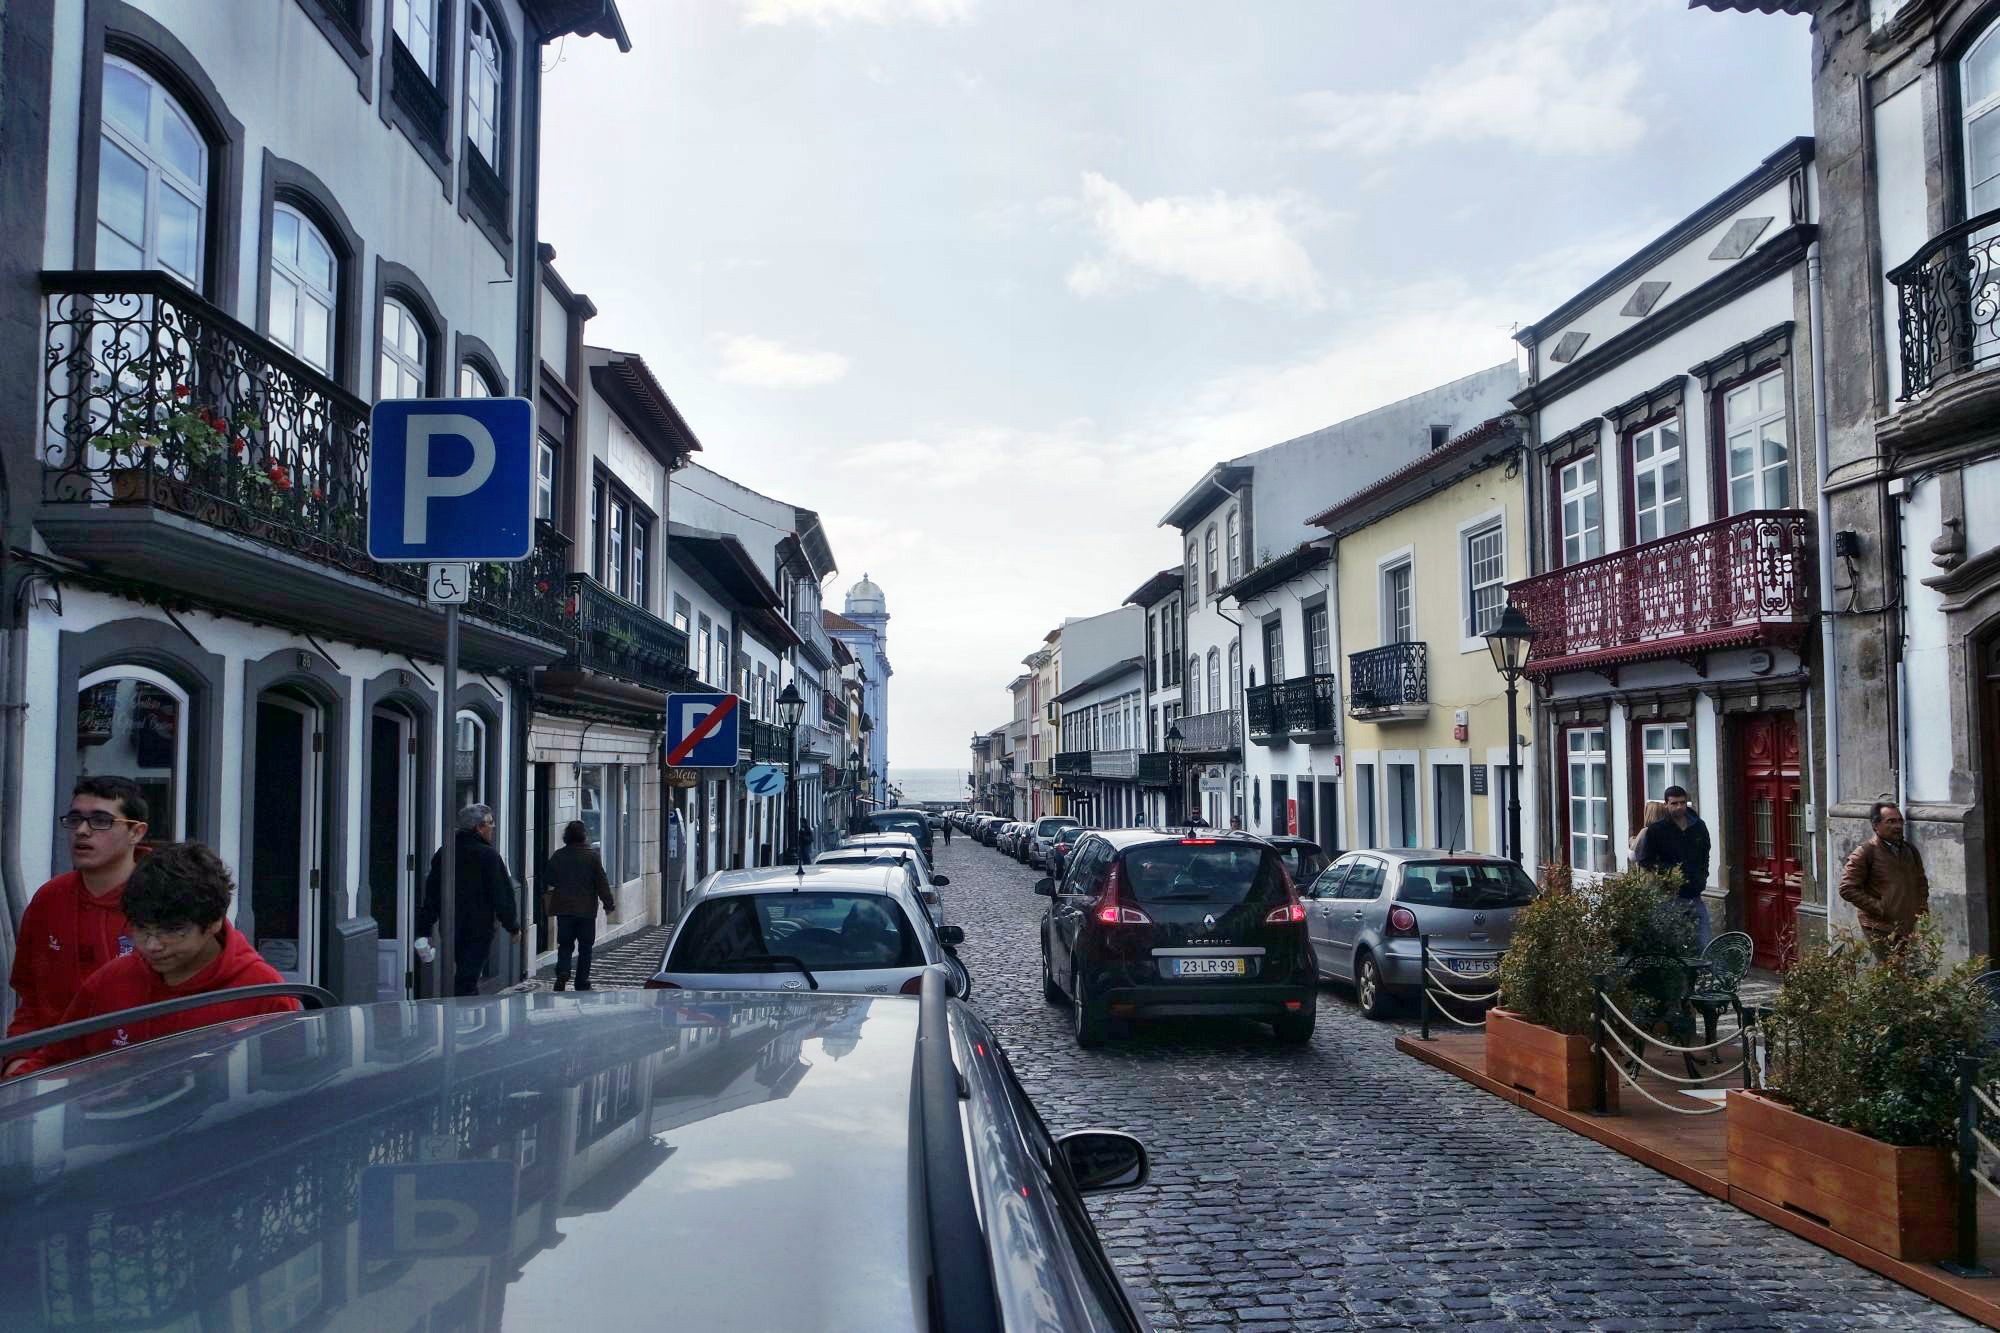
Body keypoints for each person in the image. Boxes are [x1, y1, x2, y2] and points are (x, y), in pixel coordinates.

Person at [5, 841, 299, 1078]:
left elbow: (287, 1098)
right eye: (141, 929)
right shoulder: (108, 984)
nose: (152, 945)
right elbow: (52, 1062)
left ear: (213, 922)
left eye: (173, 931)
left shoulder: (264, 995)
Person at [4, 776, 151, 1076]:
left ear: (136, 832)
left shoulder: (166, 900)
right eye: (75, 819)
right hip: (54, 1073)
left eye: (101, 821)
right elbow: (32, 1000)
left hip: (141, 1074)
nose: (82, 831)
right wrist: (16, 1059)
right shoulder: (50, 899)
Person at [418, 804, 522, 998]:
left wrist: (423, 929)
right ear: (478, 827)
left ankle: (464, 1010)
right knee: (467, 980)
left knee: (466, 975)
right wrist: (513, 926)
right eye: (490, 823)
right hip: (478, 928)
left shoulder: (444, 852)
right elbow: (501, 895)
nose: (493, 827)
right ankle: (461, 1012)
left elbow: (432, 894)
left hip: (451, 927)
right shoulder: (488, 855)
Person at [1838, 800, 1931, 961]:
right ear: (1876, 826)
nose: (1898, 826)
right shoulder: (1865, 852)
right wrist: (1880, 908)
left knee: (1905, 969)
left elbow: (1921, 882)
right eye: (1891, 821)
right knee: (1890, 969)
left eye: (1900, 821)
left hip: (1906, 925)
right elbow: (1847, 888)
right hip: (1880, 927)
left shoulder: (1909, 850)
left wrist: (1921, 907)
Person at [542, 821, 616, 992]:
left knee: (565, 945)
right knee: (585, 948)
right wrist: (608, 904)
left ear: (567, 836)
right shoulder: (592, 857)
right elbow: (602, 882)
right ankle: (581, 982)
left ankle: (563, 971)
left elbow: (548, 878)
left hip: (564, 909)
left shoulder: (559, 855)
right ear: (584, 836)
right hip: (586, 911)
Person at [1637, 785, 1714, 947]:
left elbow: (1705, 853)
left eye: (1682, 802)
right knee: (1672, 944)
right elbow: (1645, 860)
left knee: (1704, 941)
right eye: (1674, 803)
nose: (1679, 807)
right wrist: (1670, 872)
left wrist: (1702, 876)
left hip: (1694, 893)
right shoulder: (1656, 830)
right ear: (1666, 804)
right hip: (1668, 895)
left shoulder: (1698, 826)